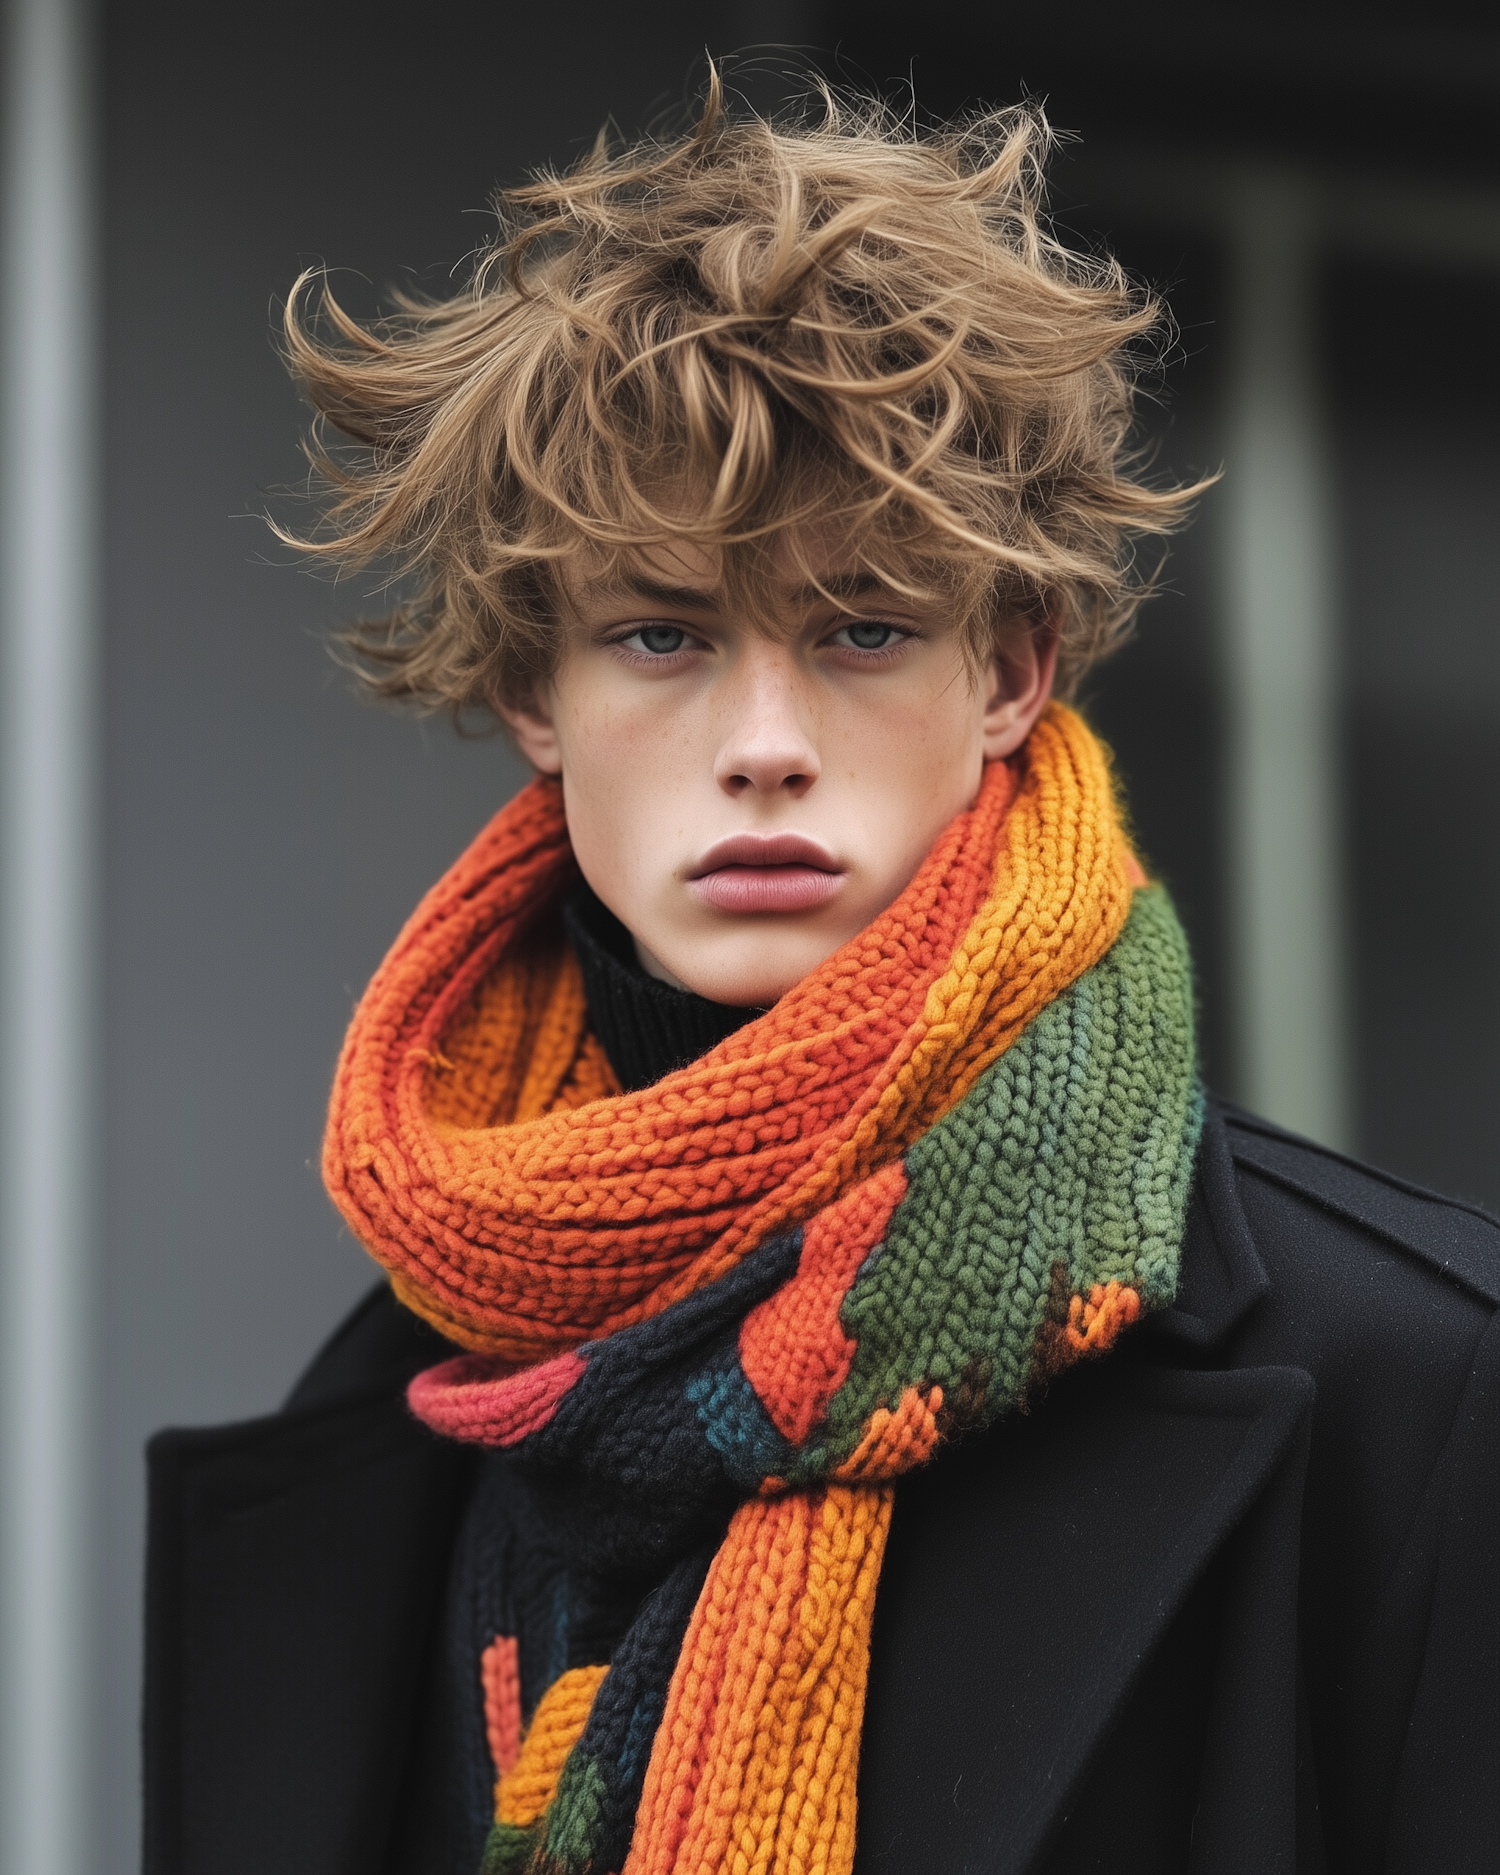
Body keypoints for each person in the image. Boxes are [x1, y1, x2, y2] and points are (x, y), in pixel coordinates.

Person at [141, 79, 1499, 1875]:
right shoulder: (396, 1411)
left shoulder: (1411, 1382)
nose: (765, 742)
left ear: (1011, 674)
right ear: (539, 697)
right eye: (663, 634)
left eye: (863, 627)